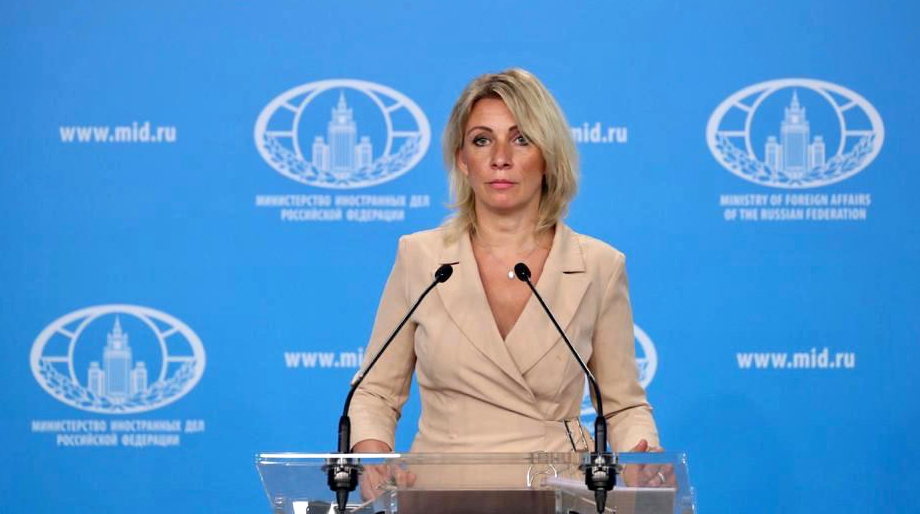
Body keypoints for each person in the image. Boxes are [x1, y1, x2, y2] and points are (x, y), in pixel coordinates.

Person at [349, 68, 668, 493]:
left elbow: (623, 405)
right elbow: (375, 392)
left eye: (521, 139)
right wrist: (374, 459)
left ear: (548, 156)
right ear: (462, 160)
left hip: (556, 491)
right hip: (442, 492)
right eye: (482, 140)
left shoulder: (598, 266)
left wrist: (640, 458)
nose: (500, 157)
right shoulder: (421, 258)